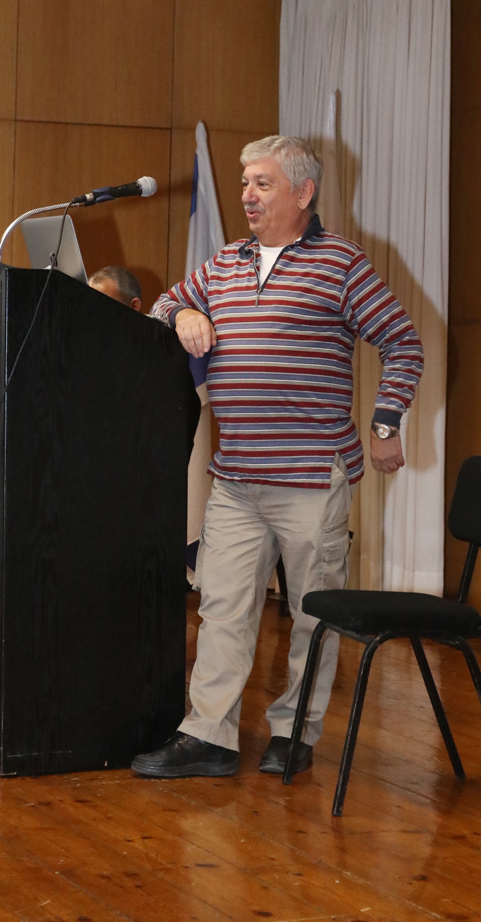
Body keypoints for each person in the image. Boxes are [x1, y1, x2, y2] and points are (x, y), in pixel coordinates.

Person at [132, 135, 423, 780]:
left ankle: (295, 731)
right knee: (223, 609)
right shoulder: (224, 263)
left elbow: (402, 342)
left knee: (311, 614)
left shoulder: (341, 262)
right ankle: (209, 736)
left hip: (311, 476)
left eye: (262, 183)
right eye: (244, 183)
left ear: (303, 192)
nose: (247, 195)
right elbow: (162, 303)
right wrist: (182, 316)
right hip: (236, 478)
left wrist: (384, 421)